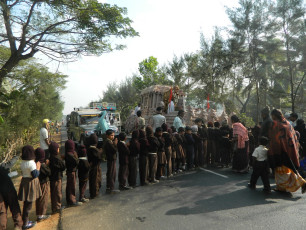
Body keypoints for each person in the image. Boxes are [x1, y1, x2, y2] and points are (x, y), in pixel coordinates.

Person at [268, 109, 306, 193]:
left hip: (280, 150)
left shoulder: (277, 125)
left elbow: (274, 138)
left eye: (272, 116)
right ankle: (300, 182)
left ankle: (284, 187)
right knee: (289, 168)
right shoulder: (288, 123)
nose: (271, 117)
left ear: (274, 115)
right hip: (289, 149)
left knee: (282, 170)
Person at [18, 145, 42, 229]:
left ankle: (26, 221)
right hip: (30, 183)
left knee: (26, 203)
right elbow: (35, 174)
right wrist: (38, 167)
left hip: (24, 181)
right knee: (29, 204)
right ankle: (25, 223)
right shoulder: (31, 163)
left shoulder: (23, 162)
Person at [0, 157, 23, 230]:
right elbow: (10, 163)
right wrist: (16, 157)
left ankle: (2, 227)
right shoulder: (2, 166)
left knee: (2, 212)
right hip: (9, 190)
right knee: (14, 207)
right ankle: (18, 226)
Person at [34, 148, 51, 222]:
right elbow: (48, 172)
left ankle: (39, 214)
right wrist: (47, 165)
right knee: (43, 198)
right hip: (43, 183)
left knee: (38, 199)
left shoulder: (35, 163)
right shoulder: (42, 165)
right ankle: (42, 215)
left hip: (38, 183)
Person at [49, 142, 66, 214]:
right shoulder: (57, 159)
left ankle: (54, 207)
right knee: (58, 192)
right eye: (58, 148)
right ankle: (58, 207)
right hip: (57, 178)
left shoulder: (50, 158)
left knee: (53, 193)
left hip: (52, 178)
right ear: (56, 150)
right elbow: (63, 167)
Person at [65, 140, 82, 207]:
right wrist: (76, 156)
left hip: (71, 171)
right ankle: (72, 201)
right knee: (71, 186)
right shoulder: (70, 155)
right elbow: (77, 162)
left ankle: (70, 200)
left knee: (70, 186)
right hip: (71, 172)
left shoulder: (68, 153)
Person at [87, 134, 103, 199]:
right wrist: (101, 151)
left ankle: (94, 192)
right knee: (95, 180)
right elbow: (98, 156)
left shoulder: (90, 149)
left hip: (93, 166)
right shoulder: (93, 149)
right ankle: (94, 193)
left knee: (94, 179)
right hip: (95, 166)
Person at [104, 129, 120, 194]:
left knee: (111, 173)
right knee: (111, 173)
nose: (113, 137)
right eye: (111, 135)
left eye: (113, 135)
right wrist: (115, 144)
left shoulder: (110, 141)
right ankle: (111, 188)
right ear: (107, 136)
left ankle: (109, 187)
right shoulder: (108, 142)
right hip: (111, 159)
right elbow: (114, 150)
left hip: (111, 159)